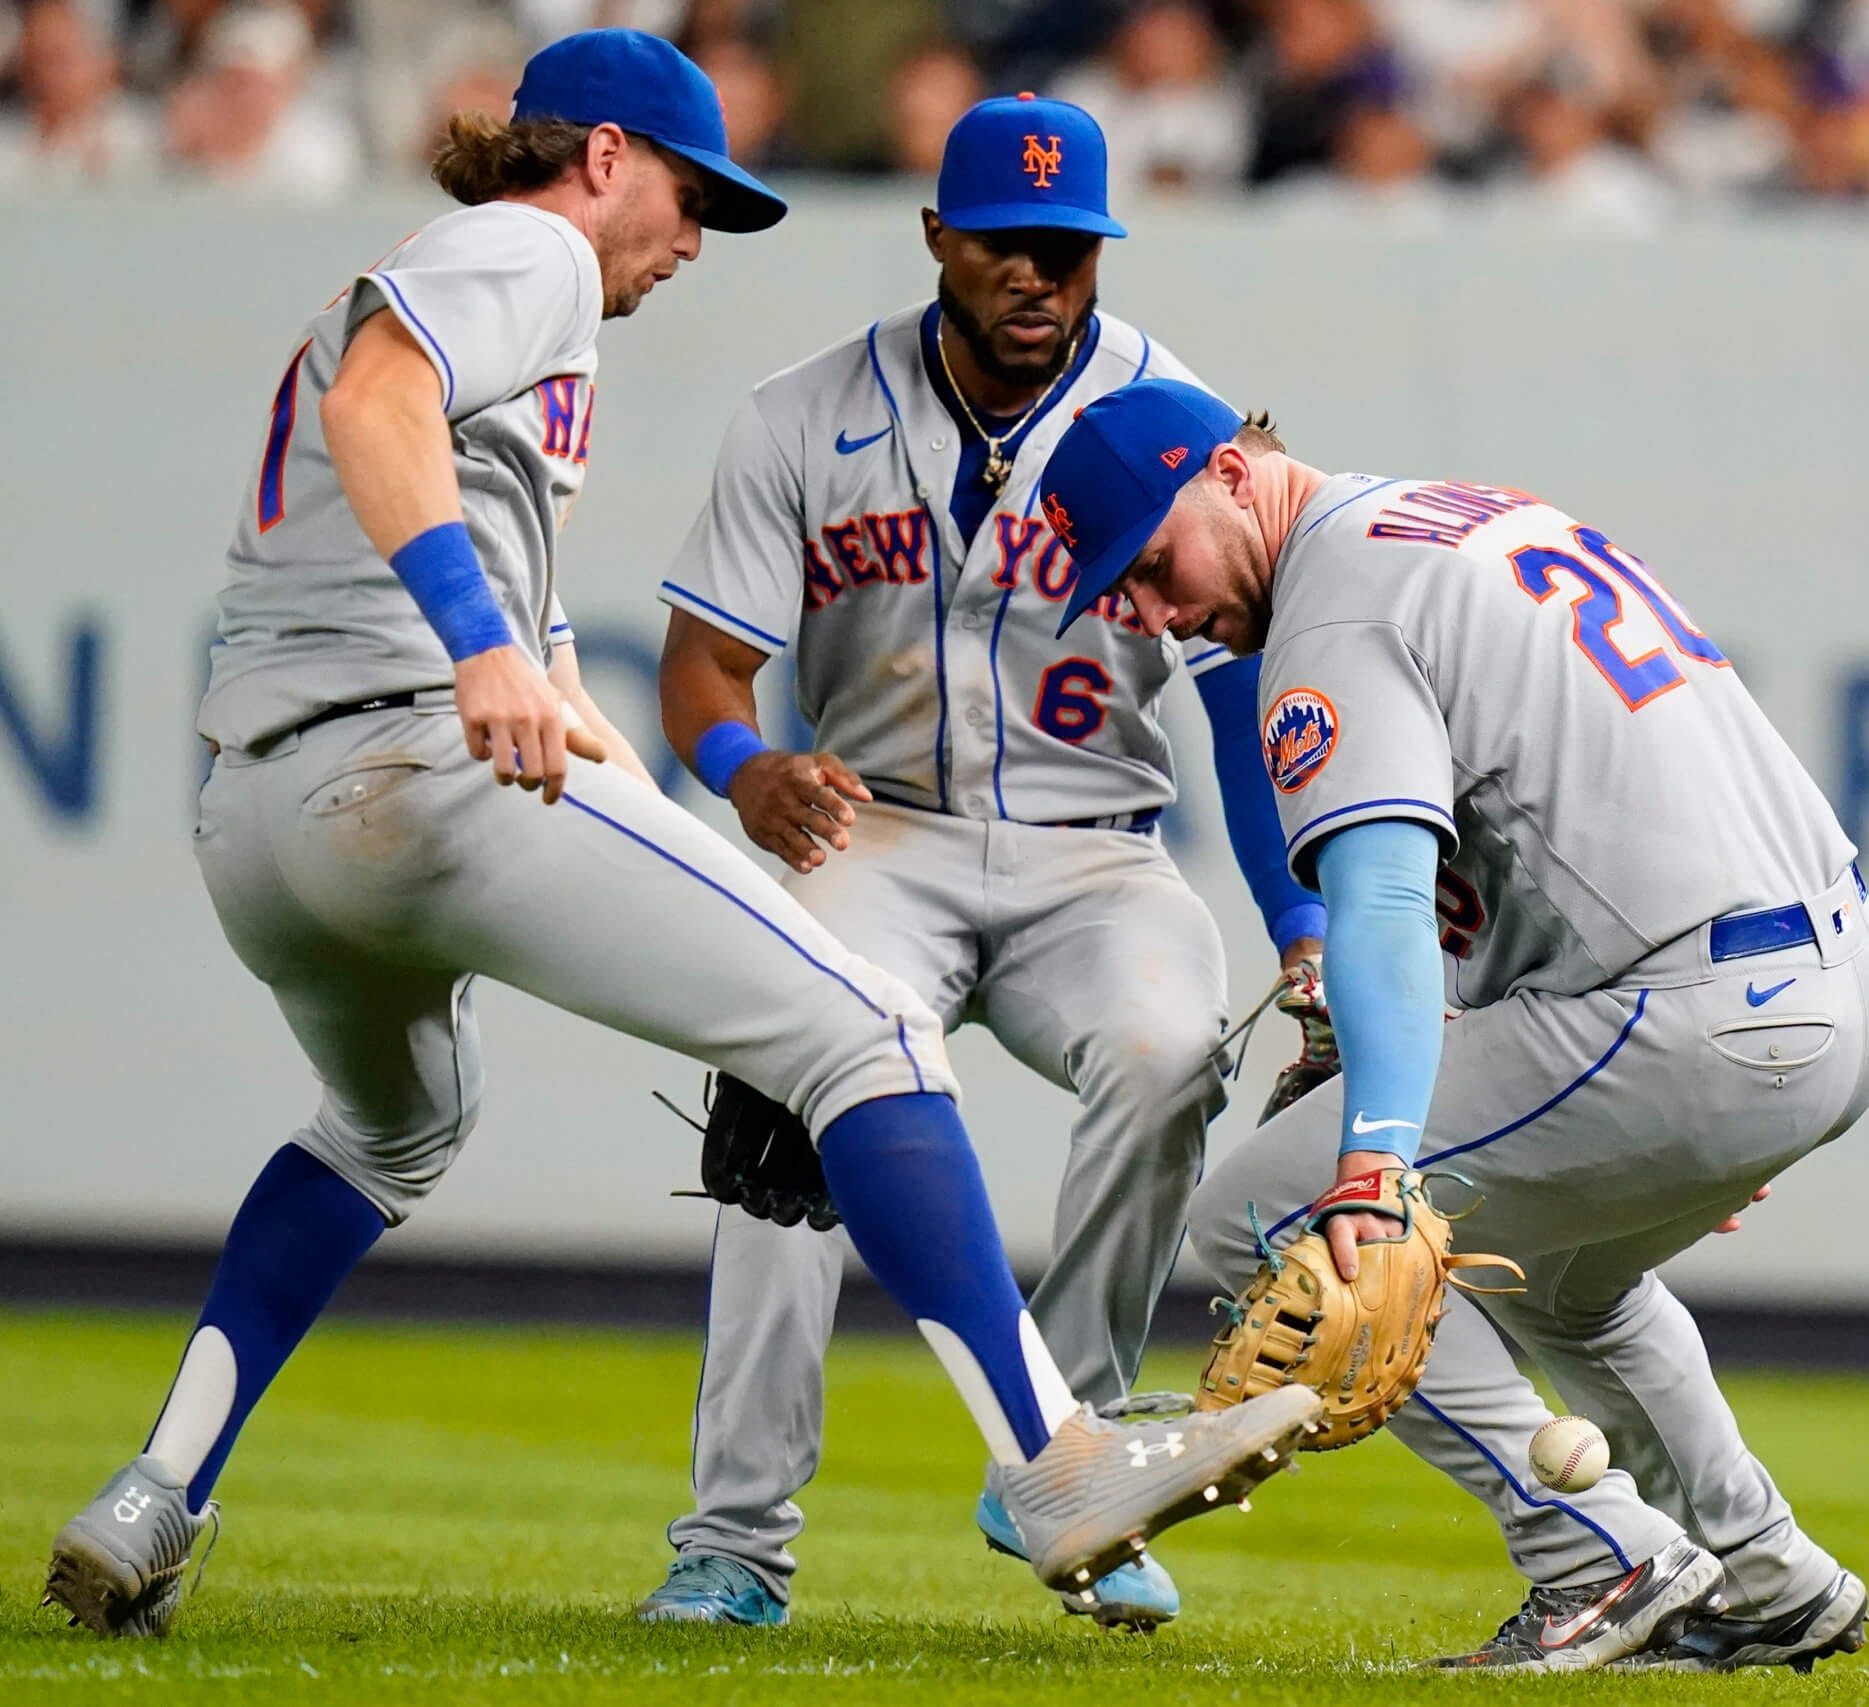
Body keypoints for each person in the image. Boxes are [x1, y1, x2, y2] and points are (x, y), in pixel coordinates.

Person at [37, 38, 1314, 1643]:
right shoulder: (529, 250)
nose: (693, 239)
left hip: (263, 821)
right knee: (863, 1030)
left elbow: (498, 570)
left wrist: (545, 669)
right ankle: (1049, 1460)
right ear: (603, 157)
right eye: (693, 196)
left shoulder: (487, 302)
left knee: (391, 1129)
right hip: (414, 762)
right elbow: (383, 406)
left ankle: (155, 1495)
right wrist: (481, 648)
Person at [1035, 380, 1869, 1673]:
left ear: (1230, 471)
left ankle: (1595, 1553)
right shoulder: (1459, 521)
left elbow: (1381, 896)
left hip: (1697, 1014)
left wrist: (1376, 1164)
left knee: (1272, 1220)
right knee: (1566, 1282)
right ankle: (1766, 1573)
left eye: (1154, 567)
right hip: (1839, 988)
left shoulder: (1333, 603)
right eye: (1127, 599)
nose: (1157, 617)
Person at [632, 92, 1328, 1633]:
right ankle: (735, 1537)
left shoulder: (1171, 418)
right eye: (1009, 244)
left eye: (1070, 248)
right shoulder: (803, 413)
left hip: (1096, 851)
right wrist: (747, 775)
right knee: (788, 1093)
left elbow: (1237, 704)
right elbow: (699, 670)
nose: (1041, 275)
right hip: (869, 827)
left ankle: (1061, 1459)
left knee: (1162, 1056)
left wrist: (1298, 921)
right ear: (940, 234)